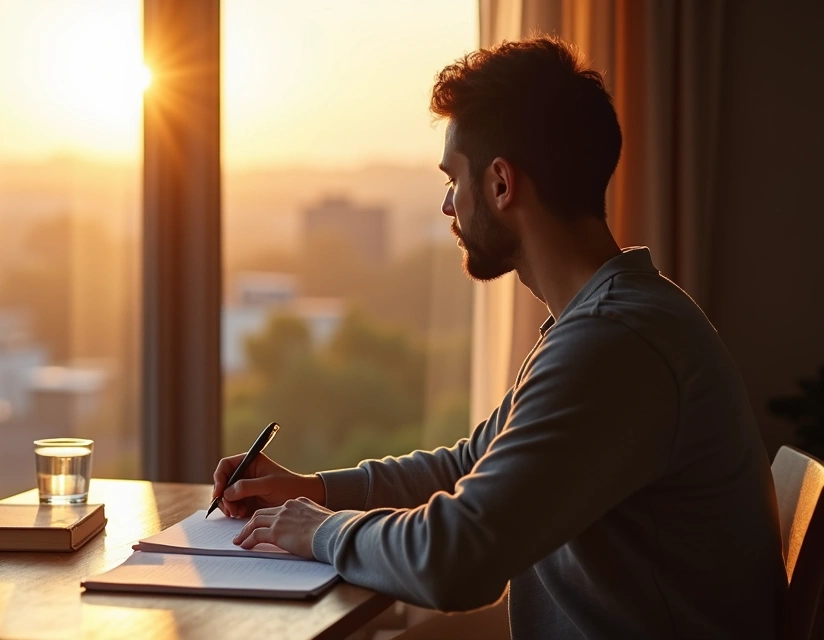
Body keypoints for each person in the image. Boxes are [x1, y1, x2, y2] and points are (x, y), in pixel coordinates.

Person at [213, 36, 785, 639]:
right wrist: (315, 491)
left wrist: (319, 530)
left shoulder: (615, 344)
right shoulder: (604, 322)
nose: (446, 205)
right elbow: (472, 463)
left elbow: (459, 561)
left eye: (452, 179)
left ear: (502, 184)